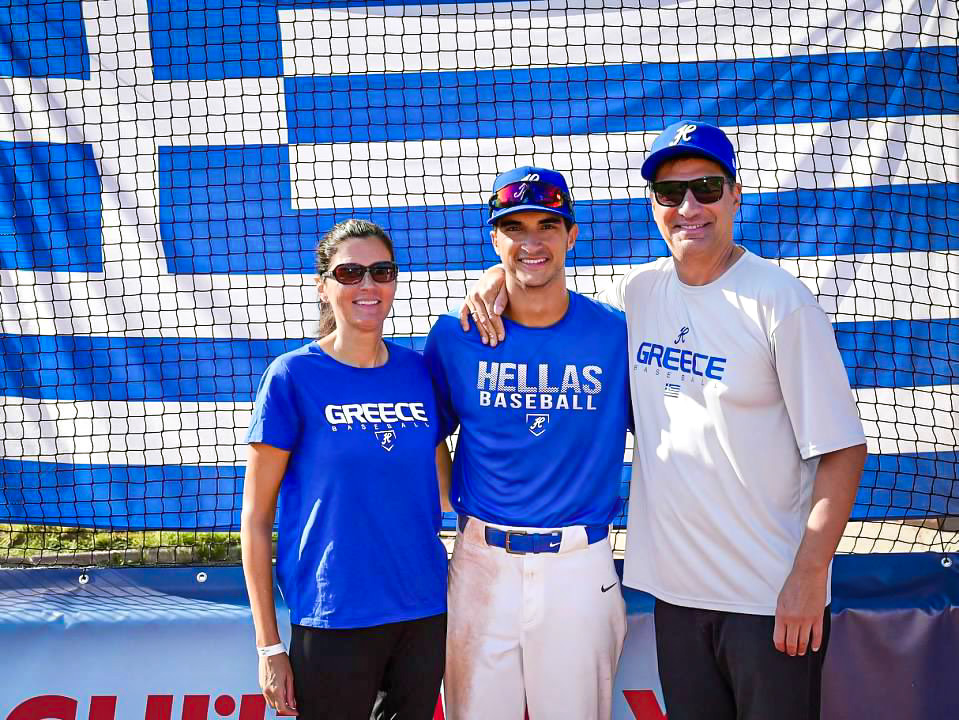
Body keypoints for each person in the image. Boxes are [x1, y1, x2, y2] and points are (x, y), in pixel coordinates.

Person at [461, 122, 868, 720]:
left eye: (706, 188)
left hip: (769, 598)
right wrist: (499, 275)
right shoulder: (639, 292)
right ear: (654, 205)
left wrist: (810, 574)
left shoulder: (780, 301)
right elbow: (547, 290)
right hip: (678, 598)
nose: (689, 207)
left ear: (735, 195)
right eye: (670, 193)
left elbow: (842, 449)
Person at [424, 166, 632, 720]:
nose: (531, 242)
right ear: (495, 239)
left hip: (579, 565)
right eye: (514, 228)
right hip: (481, 564)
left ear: (572, 235)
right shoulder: (456, 335)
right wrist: (453, 502)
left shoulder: (616, 334)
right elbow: (428, 432)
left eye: (547, 225)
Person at [240, 218, 451, 720]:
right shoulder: (292, 376)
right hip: (333, 614)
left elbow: (446, 488)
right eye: (350, 272)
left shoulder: (419, 372)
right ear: (323, 285)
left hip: (424, 612)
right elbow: (255, 521)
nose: (368, 285)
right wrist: (269, 646)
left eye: (382, 271)